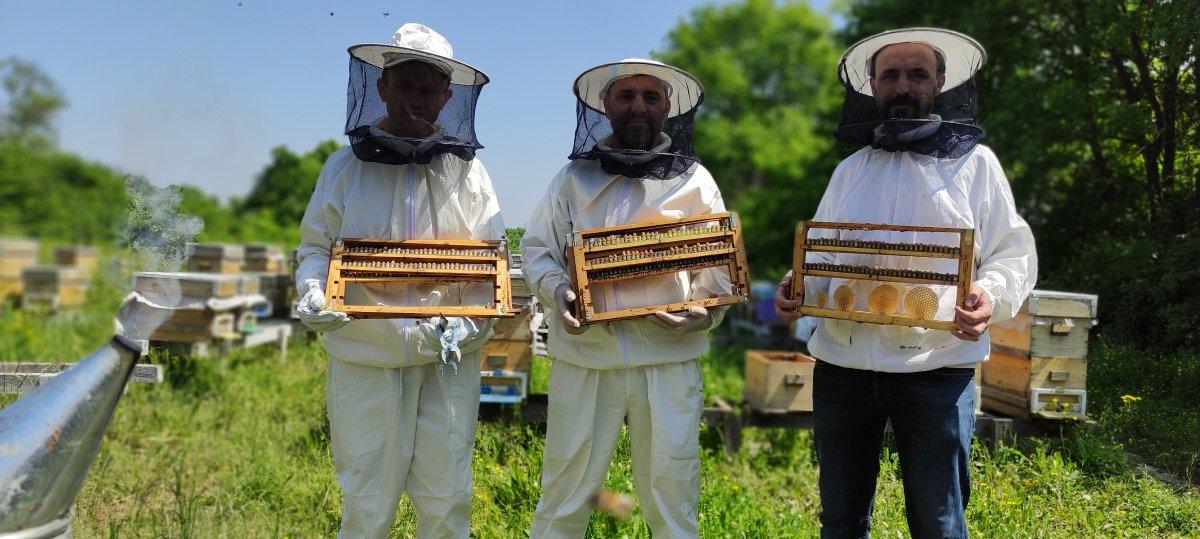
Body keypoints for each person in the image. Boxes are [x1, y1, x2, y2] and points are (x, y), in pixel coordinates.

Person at [774, 28, 1038, 538]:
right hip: (843, 366)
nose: (903, 85)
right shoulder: (849, 171)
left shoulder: (975, 164)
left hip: (936, 367)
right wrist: (798, 284)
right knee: (841, 518)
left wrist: (992, 295)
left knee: (938, 521)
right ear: (872, 85)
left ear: (939, 82)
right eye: (890, 75)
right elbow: (823, 255)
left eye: (917, 74)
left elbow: (1011, 253)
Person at [294, 23, 503, 538]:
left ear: (447, 95)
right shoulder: (343, 168)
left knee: (447, 496)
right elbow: (315, 248)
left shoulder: (470, 174)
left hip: (445, 362)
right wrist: (313, 291)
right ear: (382, 86)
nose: (415, 96)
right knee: (366, 499)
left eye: (427, 87)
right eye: (405, 84)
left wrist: (464, 326)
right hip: (365, 357)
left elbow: (491, 265)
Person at [522, 58, 730, 537]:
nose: (638, 106)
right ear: (606, 106)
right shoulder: (571, 180)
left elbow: (719, 267)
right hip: (586, 358)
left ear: (668, 108)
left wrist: (701, 314)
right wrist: (560, 292)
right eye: (626, 97)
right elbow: (538, 252)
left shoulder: (695, 181)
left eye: (650, 97)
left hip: (669, 360)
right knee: (566, 488)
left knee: (671, 487)